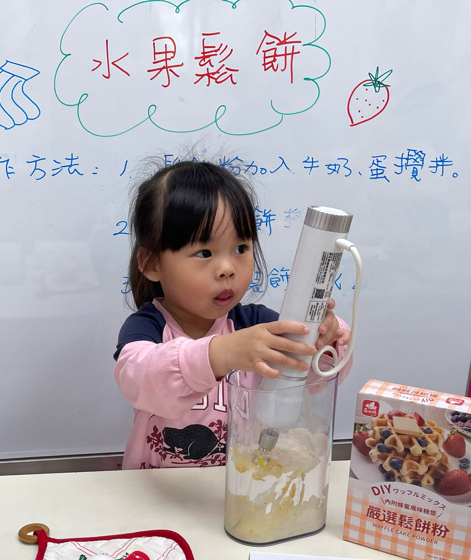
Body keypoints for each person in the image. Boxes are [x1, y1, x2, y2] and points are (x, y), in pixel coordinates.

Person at [114, 160, 351, 469]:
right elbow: (140, 380)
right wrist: (222, 354)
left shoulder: (256, 325)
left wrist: (325, 340)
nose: (227, 269)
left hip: (237, 486)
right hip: (154, 488)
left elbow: (314, 380)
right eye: (204, 253)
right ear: (152, 264)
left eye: (241, 248)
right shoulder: (147, 327)